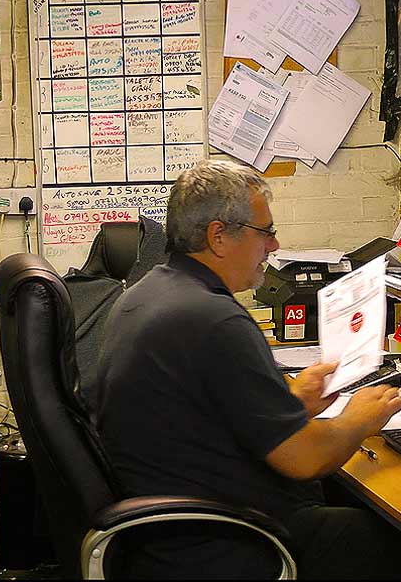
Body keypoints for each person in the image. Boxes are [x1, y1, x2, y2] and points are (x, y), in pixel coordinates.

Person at [93, 159, 401, 579]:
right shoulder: (214, 320)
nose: (274, 246)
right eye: (266, 232)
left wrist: (294, 402)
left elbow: (206, 417)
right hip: (229, 538)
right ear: (219, 236)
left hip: (180, 523)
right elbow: (305, 459)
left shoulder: (148, 294)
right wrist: (358, 419)